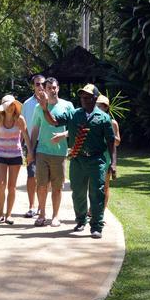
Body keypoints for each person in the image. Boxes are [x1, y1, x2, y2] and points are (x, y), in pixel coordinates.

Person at [41, 84, 116, 239]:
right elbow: (54, 121)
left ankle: (96, 226)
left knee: (97, 193)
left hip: (97, 160)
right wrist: (44, 108)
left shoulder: (104, 118)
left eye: (87, 97)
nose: (84, 99)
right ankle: (81, 220)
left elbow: (110, 142)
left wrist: (113, 163)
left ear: (95, 99)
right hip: (78, 159)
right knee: (78, 193)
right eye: (82, 97)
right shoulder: (74, 114)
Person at [28, 77, 74, 226]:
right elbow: (35, 130)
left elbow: (75, 128)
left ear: (58, 88)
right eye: (49, 88)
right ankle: (41, 214)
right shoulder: (39, 108)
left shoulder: (67, 106)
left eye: (54, 87)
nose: (52, 90)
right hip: (42, 152)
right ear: (45, 90)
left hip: (60, 153)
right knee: (41, 185)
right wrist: (30, 150)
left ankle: (55, 216)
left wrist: (63, 135)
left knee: (57, 187)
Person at [0, 94, 32, 225]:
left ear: (15, 106)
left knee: (12, 186)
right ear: (3, 107)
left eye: (12, 105)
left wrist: (30, 153)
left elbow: (26, 136)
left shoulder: (20, 119)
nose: (10, 108)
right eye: (7, 105)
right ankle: (0, 214)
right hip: (1, 155)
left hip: (15, 155)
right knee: (1, 185)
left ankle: (9, 215)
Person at [21, 74, 46, 218]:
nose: (40, 87)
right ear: (33, 86)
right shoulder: (27, 104)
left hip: (47, 143)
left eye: (43, 84)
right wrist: (22, 144)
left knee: (45, 178)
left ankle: (42, 207)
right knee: (31, 175)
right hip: (31, 143)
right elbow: (23, 126)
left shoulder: (50, 102)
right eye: (37, 84)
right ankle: (31, 206)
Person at [97, 95, 121, 212]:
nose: (98, 108)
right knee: (92, 185)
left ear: (106, 107)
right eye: (96, 105)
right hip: (94, 156)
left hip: (107, 157)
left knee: (105, 186)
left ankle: (102, 211)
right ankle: (92, 209)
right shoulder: (92, 121)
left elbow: (117, 142)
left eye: (100, 106)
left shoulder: (113, 123)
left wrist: (110, 136)